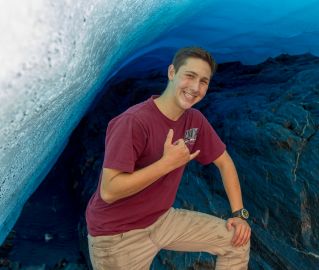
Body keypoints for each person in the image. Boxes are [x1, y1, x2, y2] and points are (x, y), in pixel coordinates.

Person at [85, 46, 251, 269]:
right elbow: (109, 191)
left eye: (203, 81)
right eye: (189, 76)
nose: (195, 87)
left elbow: (225, 162)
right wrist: (166, 164)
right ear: (172, 73)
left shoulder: (194, 120)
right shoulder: (133, 122)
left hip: (162, 219)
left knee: (237, 241)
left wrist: (239, 214)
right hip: (118, 236)